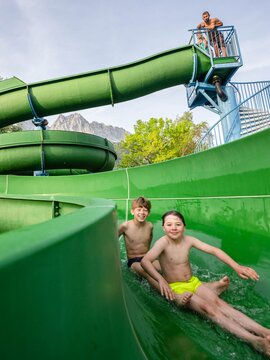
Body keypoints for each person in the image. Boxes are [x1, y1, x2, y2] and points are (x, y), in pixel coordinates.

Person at [141, 210, 270, 356]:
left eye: (178, 224)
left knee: (221, 304)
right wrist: (161, 280)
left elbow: (214, 250)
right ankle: (254, 340)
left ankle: (264, 332)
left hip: (193, 282)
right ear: (163, 228)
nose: (174, 227)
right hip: (177, 287)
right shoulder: (162, 243)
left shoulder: (188, 240)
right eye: (169, 224)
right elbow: (145, 261)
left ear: (184, 226)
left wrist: (236, 266)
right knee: (209, 309)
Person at [118, 196, 161, 291]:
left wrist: (150, 258)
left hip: (146, 258)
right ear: (132, 211)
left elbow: (148, 241)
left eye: (145, 210)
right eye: (139, 209)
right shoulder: (125, 226)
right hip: (134, 261)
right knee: (145, 272)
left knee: (163, 267)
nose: (142, 213)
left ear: (148, 213)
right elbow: (113, 239)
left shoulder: (150, 226)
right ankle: (170, 295)